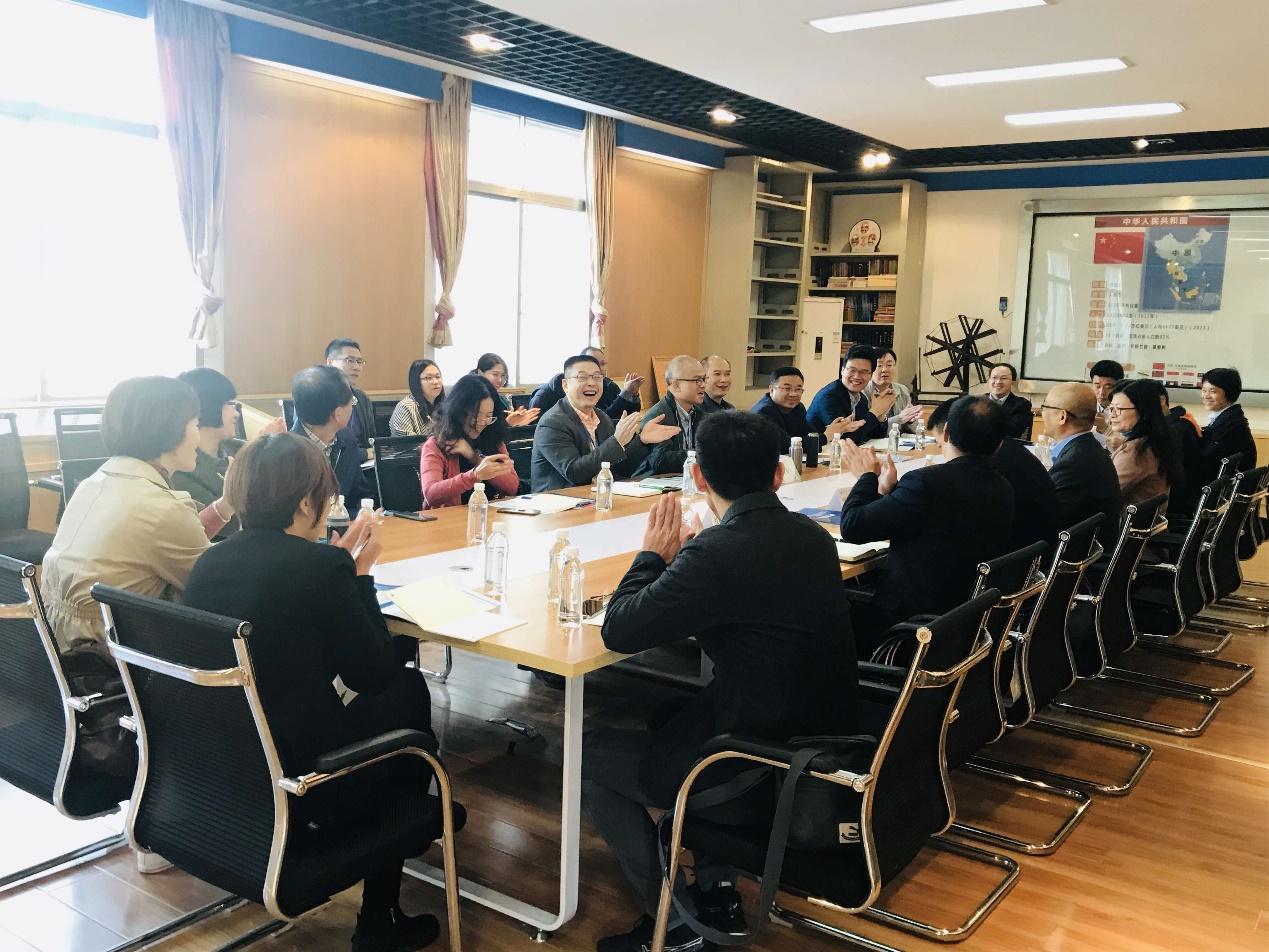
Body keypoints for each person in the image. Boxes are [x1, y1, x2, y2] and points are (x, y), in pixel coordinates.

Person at [589, 411, 857, 952]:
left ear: (699, 478)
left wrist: (653, 556)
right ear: (778, 474)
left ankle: (676, 920)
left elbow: (619, 629)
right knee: (671, 713)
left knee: (590, 754)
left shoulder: (715, 553)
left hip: (754, 763)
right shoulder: (811, 535)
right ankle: (715, 884)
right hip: (817, 741)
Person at [182, 434, 459, 952]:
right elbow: (371, 675)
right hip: (307, 778)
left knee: (395, 696)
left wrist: (340, 565)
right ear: (307, 503)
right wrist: (359, 574)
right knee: (404, 691)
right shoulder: (319, 568)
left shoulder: (209, 563)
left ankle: (384, 896)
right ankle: (381, 908)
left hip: (225, 768)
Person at [41, 376, 233, 659]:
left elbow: (176, 545)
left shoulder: (96, 481)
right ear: (170, 430)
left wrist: (227, 504)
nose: (197, 435)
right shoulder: (162, 507)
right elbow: (215, 585)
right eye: (194, 424)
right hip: (113, 648)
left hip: (57, 641)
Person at [839, 396, 1014, 658]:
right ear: (1000, 443)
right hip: (962, 619)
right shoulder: (1003, 486)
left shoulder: (926, 482)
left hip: (907, 626)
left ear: (946, 432)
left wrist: (866, 478)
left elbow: (853, 526)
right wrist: (888, 492)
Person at [530, 354, 679, 492]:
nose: (591, 383)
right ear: (565, 385)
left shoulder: (602, 417)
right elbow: (575, 473)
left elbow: (619, 471)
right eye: (582, 377)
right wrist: (617, 441)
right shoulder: (552, 423)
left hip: (596, 498)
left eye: (597, 377)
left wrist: (642, 441)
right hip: (557, 503)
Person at [931, 396, 1057, 553]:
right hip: (1036, 549)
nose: (943, 454)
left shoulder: (980, 469)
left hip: (1017, 555)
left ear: (949, 432)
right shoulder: (1008, 448)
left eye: (941, 445)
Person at [420, 375, 519, 509]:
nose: (482, 422)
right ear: (458, 411)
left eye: (488, 416)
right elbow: (431, 494)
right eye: (475, 415)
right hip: (449, 519)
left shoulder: (493, 439)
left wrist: (474, 456)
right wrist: (475, 475)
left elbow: (512, 487)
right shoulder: (437, 444)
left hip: (488, 517)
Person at [1041, 382, 1122, 545]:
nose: (1042, 413)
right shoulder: (1087, 448)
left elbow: (1046, 521)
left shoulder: (1074, 463)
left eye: (1045, 407)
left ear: (1062, 416)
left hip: (1074, 553)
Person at [291, 365, 374, 505]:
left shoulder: (347, 440)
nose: (352, 407)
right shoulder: (288, 454)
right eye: (351, 402)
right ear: (338, 414)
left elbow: (360, 495)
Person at [1107, 379, 1180, 508]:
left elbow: (1103, 495)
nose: (1112, 415)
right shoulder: (1155, 439)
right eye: (1111, 408)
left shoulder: (1137, 452)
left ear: (1142, 412)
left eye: (1119, 409)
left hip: (1125, 520)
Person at [632, 355, 705, 478]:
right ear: (676, 385)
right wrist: (704, 454)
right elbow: (660, 461)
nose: (703, 385)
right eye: (697, 380)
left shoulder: (700, 414)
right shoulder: (658, 415)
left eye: (703, 379)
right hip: (650, 482)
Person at [528, 346, 642, 418]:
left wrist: (632, 395)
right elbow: (603, 419)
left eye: (603, 364)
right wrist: (625, 394)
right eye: (593, 363)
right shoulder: (545, 395)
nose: (600, 368)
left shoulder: (608, 385)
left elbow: (625, 415)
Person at [806, 345, 889, 443]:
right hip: (816, 451)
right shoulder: (829, 398)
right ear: (842, 370)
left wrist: (881, 415)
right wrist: (874, 411)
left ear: (871, 375)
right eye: (852, 370)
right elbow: (847, 438)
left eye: (863, 372)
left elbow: (874, 435)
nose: (856, 376)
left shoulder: (861, 398)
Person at [1198, 367, 1257, 484]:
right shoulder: (1231, 418)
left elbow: (1206, 460)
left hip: (1224, 489)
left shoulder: (1232, 425)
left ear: (1228, 393)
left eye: (1213, 392)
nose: (1206, 396)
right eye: (1204, 390)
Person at [1157, 382, 1202, 513]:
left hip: (1176, 505)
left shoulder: (1174, 430)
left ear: (1161, 400)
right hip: (1182, 499)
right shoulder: (1180, 420)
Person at [748, 366, 817, 453]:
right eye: (787, 388)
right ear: (772, 390)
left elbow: (811, 435)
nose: (793, 394)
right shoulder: (764, 412)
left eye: (798, 389)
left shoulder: (798, 408)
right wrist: (826, 436)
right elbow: (786, 446)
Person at [326, 338, 376, 451]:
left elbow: (372, 440)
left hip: (366, 461)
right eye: (349, 361)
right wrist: (364, 454)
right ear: (330, 362)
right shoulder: (318, 396)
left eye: (359, 362)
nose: (356, 367)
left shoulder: (362, 398)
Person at [471, 353, 539, 427]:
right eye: (495, 374)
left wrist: (517, 423)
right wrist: (508, 424)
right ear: (480, 373)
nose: (500, 380)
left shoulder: (500, 399)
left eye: (503, 375)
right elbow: (481, 429)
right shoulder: (473, 397)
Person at [863, 348, 923, 430]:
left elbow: (912, 430)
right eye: (879, 365)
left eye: (889, 365)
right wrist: (899, 419)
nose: (885, 370)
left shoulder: (902, 390)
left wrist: (910, 421)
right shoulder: (863, 392)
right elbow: (867, 430)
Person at [389, 359, 445, 438]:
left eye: (438, 377)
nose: (435, 381)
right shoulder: (405, 408)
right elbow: (407, 441)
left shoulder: (446, 405)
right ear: (416, 382)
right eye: (429, 378)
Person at [985, 362, 1035, 440]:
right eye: (994, 377)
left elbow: (1012, 432)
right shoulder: (976, 402)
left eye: (1004, 378)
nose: (998, 382)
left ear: (1012, 383)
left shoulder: (1022, 405)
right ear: (989, 380)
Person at [1089, 359, 1125, 434]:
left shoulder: (1127, 410)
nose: (1101, 392)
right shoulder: (1085, 407)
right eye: (1097, 386)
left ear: (1119, 386)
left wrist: (1105, 429)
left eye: (1108, 387)